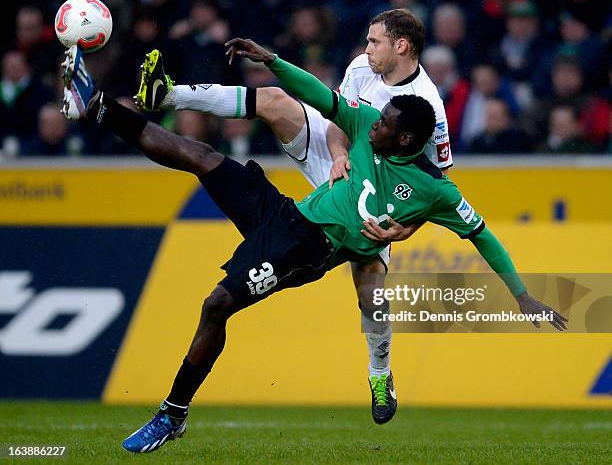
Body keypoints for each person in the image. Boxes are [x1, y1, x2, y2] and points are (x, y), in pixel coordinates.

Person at [61, 42, 566, 454]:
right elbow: (323, 98)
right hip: (286, 213)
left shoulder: (437, 191)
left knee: (218, 304)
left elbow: (483, 235)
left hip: (306, 249)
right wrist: (273, 61)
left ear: (406, 137)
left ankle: (173, 414)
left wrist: (522, 297)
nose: (373, 124)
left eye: (385, 124)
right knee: (201, 155)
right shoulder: (371, 126)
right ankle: (101, 107)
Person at [134, 9, 453, 424]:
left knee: (370, 290)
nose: (366, 49)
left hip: (376, 193)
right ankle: (168, 95)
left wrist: (406, 228)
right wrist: (338, 155)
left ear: (401, 46)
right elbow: (338, 117)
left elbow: (438, 183)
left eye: (374, 42)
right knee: (273, 99)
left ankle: (379, 374)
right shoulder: (362, 67)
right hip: (340, 162)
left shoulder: (428, 105)